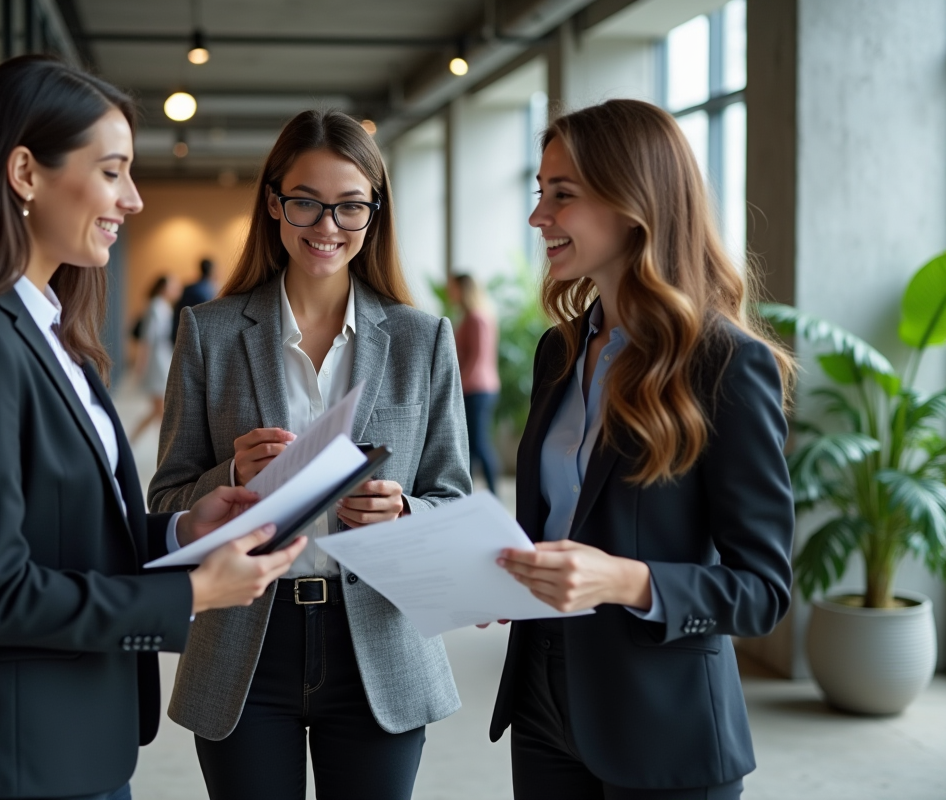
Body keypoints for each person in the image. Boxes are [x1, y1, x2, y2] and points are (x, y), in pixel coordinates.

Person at [0, 55, 305, 800]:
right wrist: (190, 595)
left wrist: (180, 534)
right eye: (112, 171)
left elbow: (68, 533)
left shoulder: (57, 338)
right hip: (16, 760)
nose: (132, 199)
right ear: (25, 173)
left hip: (74, 748)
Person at [148, 109, 471, 800]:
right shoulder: (210, 333)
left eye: (350, 206)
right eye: (306, 202)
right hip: (244, 640)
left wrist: (405, 510)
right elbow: (167, 499)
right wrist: (231, 475)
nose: (327, 226)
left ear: (374, 212)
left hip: (378, 643)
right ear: (273, 203)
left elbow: (455, 500)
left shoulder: (422, 339)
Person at [488, 99, 795, 799]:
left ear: (635, 205)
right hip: (542, 701)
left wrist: (625, 581)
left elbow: (763, 592)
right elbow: (561, 526)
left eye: (561, 196)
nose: (539, 217)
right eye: (539, 193)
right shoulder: (559, 352)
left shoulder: (723, 364)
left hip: (665, 728)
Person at [449, 272, 502, 491]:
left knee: (478, 444)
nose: (449, 293)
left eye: (453, 288)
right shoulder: (474, 316)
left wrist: (456, 385)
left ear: (463, 289)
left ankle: (494, 495)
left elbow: (477, 358)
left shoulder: (476, 318)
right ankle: (467, 496)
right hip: (478, 387)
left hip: (477, 388)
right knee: (471, 446)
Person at [131, 274, 180, 440]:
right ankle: (165, 443)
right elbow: (147, 339)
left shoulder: (164, 306)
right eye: (172, 285)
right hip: (156, 360)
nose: (175, 289)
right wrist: (141, 364)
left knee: (159, 408)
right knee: (160, 407)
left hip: (163, 357)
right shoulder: (154, 306)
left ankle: (135, 439)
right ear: (163, 287)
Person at [171, 257, 217, 343]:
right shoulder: (208, 292)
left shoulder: (188, 287)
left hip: (180, 331)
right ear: (212, 270)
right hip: (195, 338)